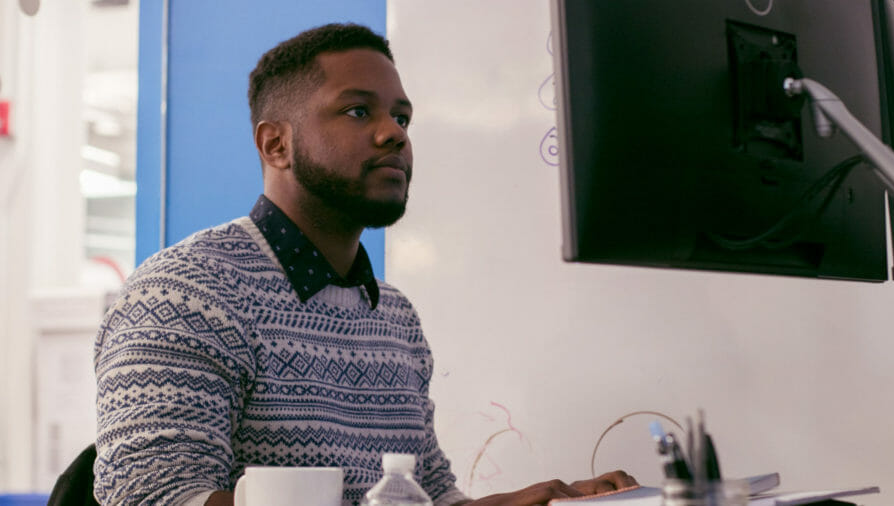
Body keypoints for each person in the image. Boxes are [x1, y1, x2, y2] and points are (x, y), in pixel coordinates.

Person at [93, 23, 636, 506]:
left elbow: (429, 496)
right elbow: (151, 497)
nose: (394, 133)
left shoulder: (395, 317)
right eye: (358, 111)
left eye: (402, 116)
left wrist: (549, 501)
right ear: (276, 144)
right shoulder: (185, 292)